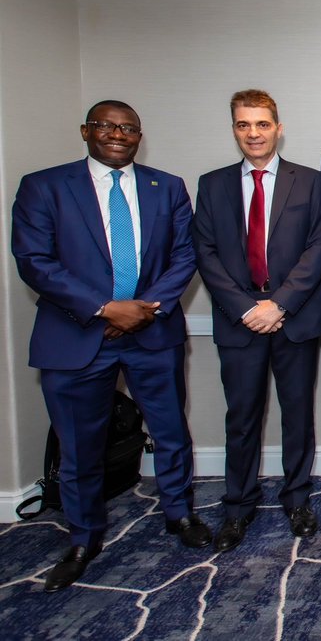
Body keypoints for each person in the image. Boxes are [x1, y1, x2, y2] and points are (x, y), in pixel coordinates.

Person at [12, 100, 209, 592]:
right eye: (106, 126)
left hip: (152, 332)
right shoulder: (45, 186)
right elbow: (34, 261)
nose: (118, 134)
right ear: (85, 131)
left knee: (170, 431)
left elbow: (184, 256)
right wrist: (105, 308)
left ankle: (179, 514)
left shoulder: (167, 187)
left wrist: (143, 308)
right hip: (77, 336)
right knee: (79, 447)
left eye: (129, 128)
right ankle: (82, 538)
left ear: (139, 136)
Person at [191, 89, 321, 552]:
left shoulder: (309, 182)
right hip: (240, 320)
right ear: (234, 129)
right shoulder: (212, 185)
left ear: (278, 126)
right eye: (243, 125)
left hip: (293, 318)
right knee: (242, 419)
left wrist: (281, 304)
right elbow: (205, 253)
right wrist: (248, 308)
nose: (253, 133)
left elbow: (319, 247)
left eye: (262, 124)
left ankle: (297, 499)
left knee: (297, 416)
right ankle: (238, 506)